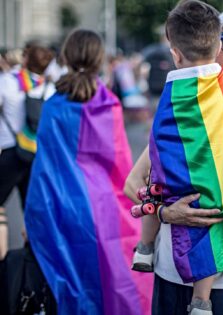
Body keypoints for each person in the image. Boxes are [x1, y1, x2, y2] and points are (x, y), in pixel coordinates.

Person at [125, 6, 223, 315]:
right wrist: (166, 212)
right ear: (209, 47)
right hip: (170, 272)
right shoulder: (181, 111)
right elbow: (134, 182)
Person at [23, 29, 152, 314]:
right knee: (108, 281)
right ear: (99, 61)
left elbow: (44, 168)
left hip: (60, 207)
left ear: (66, 57)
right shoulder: (110, 105)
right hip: (105, 208)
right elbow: (120, 166)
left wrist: (33, 216)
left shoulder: (54, 106)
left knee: (69, 282)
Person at [0, 44, 54, 259]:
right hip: (35, 154)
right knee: (31, 210)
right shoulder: (48, 88)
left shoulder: (7, 82)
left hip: (10, 152)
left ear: (24, 60)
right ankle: (31, 261)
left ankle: (3, 260)